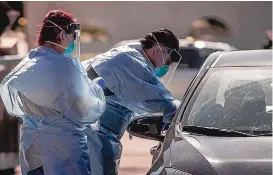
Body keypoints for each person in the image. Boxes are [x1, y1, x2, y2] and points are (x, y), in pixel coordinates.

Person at [0, 10, 106, 175]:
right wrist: (96, 89)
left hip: (31, 147)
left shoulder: (26, 64)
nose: (73, 41)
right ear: (62, 34)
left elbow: (18, 106)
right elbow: (84, 111)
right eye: (72, 35)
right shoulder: (65, 65)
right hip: (63, 147)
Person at [82, 28, 182, 175]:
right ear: (159, 49)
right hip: (95, 136)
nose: (166, 66)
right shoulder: (130, 63)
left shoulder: (126, 55)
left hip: (95, 134)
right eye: (168, 60)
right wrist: (179, 111)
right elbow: (160, 101)